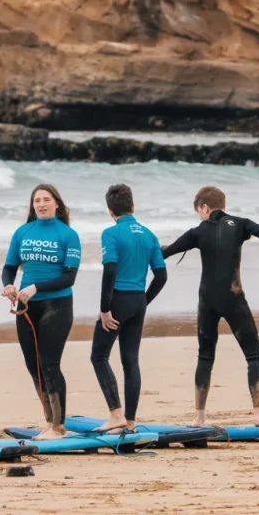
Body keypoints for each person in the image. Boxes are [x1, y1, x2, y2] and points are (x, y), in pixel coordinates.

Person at [162, 186, 259, 428]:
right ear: (223, 205)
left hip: (207, 300)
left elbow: (165, 253)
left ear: (205, 208)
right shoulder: (240, 224)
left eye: (199, 211)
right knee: (254, 355)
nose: (200, 216)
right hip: (233, 297)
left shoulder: (197, 231)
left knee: (205, 355)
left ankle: (198, 417)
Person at [1, 184, 81, 440]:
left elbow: (69, 278)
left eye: (46, 200)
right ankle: (49, 422)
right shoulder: (22, 232)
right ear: (32, 205)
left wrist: (36, 286)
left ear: (57, 204)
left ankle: (59, 427)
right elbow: (9, 267)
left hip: (56, 305)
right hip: (26, 307)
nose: (42, 204)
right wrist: (9, 285)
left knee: (49, 363)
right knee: (33, 365)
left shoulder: (68, 235)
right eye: (37, 200)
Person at [90, 184, 167, 432]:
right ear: (133, 207)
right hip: (137, 301)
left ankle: (116, 415)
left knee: (99, 356)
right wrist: (144, 300)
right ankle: (130, 422)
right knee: (130, 360)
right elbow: (162, 276)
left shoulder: (111, 234)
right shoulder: (149, 235)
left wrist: (105, 308)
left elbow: (110, 270)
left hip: (118, 302)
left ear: (110, 211)